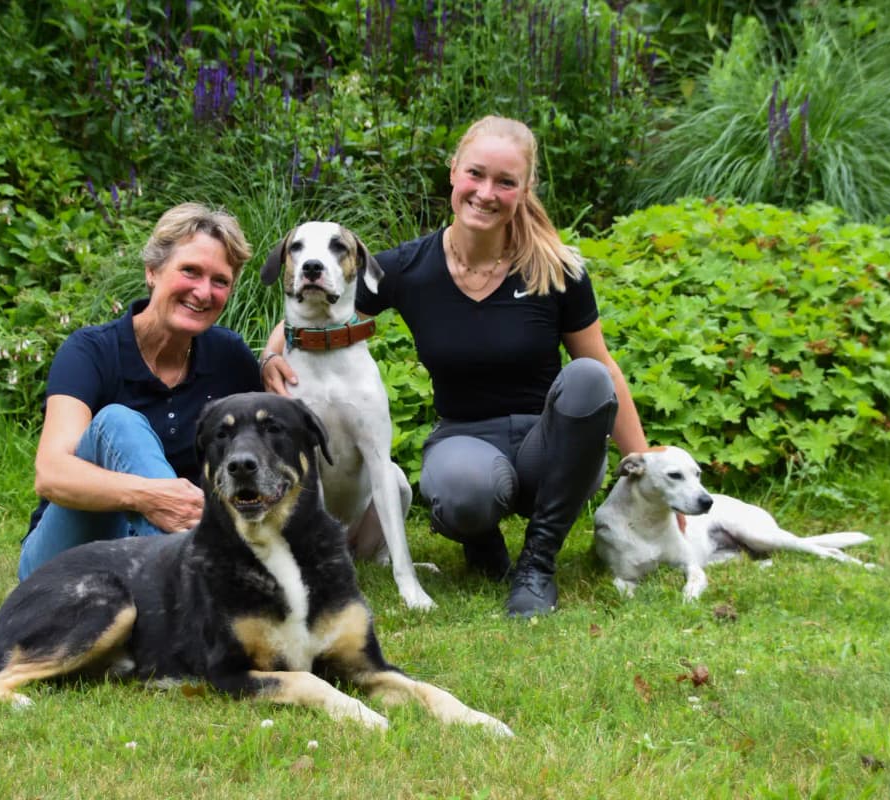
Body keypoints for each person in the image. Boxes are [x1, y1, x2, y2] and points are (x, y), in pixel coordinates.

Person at [261, 115, 652, 617]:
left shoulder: (559, 268)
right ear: (453, 173)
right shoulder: (410, 267)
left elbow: (604, 368)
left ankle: (538, 563)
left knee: (588, 378)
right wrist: (273, 354)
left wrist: (646, 469)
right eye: (476, 174)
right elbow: (322, 299)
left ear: (524, 189)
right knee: (459, 488)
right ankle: (480, 539)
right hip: (466, 442)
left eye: (505, 182)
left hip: (544, 442)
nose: (486, 192)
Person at [18, 202, 263, 580]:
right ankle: (196, 591)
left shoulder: (231, 358)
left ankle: (187, 587)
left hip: (153, 559)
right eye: (190, 271)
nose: (203, 292)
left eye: (220, 281)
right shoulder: (91, 351)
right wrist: (150, 497)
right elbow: (51, 473)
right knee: (117, 422)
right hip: (64, 562)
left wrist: (276, 355)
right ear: (152, 271)